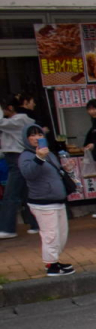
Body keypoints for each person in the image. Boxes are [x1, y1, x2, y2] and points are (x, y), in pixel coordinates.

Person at [17, 124, 74, 275]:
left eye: (40, 135)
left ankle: (54, 260)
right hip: (42, 202)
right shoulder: (26, 156)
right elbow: (29, 174)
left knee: (61, 234)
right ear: (26, 138)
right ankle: (51, 265)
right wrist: (39, 158)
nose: (37, 138)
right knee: (51, 234)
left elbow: (55, 171)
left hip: (58, 199)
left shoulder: (49, 154)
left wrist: (67, 168)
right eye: (33, 135)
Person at [0, 98, 39, 239]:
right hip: (15, 158)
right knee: (26, 194)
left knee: (11, 194)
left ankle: (7, 228)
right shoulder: (16, 121)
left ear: (9, 107)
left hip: (17, 158)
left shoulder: (19, 119)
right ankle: (36, 224)